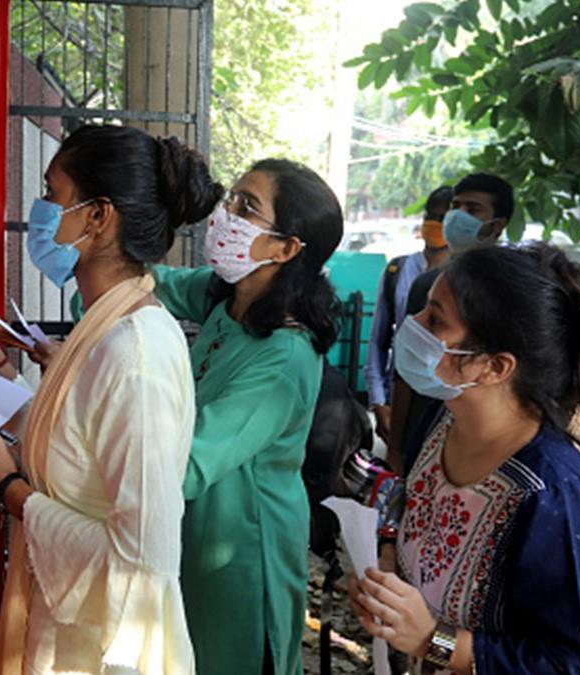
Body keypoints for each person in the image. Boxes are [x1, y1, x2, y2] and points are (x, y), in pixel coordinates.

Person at [0, 124, 223, 675]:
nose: (40, 211)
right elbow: (69, 441)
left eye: (51, 194)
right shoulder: (108, 323)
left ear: (97, 216)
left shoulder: (135, 353)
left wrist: (8, 490)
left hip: (100, 654)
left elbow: (142, 563)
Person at [350, 243, 580, 674]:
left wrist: (432, 639)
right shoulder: (444, 420)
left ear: (495, 367)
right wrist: (387, 569)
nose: (411, 324)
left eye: (435, 320)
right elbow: (415, 506)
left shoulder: (556, 500)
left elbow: (575, 666)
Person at [151, 159, 343, 675]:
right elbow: (151, 285)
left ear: (286, 248)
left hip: (242, 550)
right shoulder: (227, 297)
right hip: (197, 527)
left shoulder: (283, 357)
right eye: (231, 198)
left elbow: (187, 465)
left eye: (247, 207)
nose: (225, 215)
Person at [386, 174, 514, 474]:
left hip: (482, 436)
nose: (458, 216)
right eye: (456, 207)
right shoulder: (427, 285)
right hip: (424, 428)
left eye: (473, 209)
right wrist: (395, 447)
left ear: (497, 225)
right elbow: (405, 371)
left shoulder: (511, 292)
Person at [364, 186, 452, 444]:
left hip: (441, 399)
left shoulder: (460, 278)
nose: (433, 224)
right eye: (430, 216)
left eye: (442, 219)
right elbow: (379, 340)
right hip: (398, 392)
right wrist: (378, 400)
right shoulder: (398, 269)